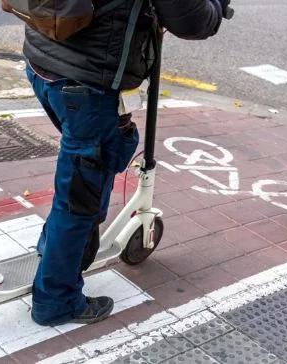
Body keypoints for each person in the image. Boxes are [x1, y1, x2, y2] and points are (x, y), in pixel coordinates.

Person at [24, 0, 229, 326]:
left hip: (43, 60)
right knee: (81, 197)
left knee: (82, 171)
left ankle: (53, 249)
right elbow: (191, 20)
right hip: (87, 82)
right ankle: (56, 301)